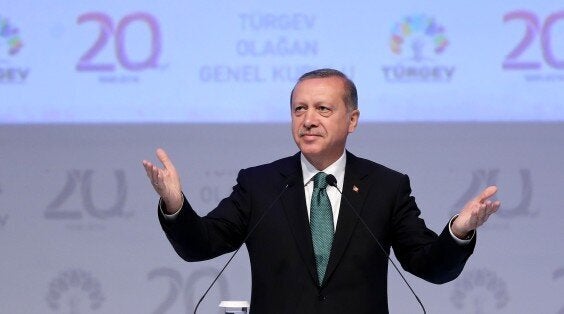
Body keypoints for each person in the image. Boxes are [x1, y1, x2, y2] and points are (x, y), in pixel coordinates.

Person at [142, 68, 500, 313]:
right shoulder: (260, 184)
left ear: (352, 120)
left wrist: (459, 231)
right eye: (299, 109)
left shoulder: (386, 186)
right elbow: (200, 245)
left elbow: (430, 266)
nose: (308, 119)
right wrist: (174, 204)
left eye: (323, 109)